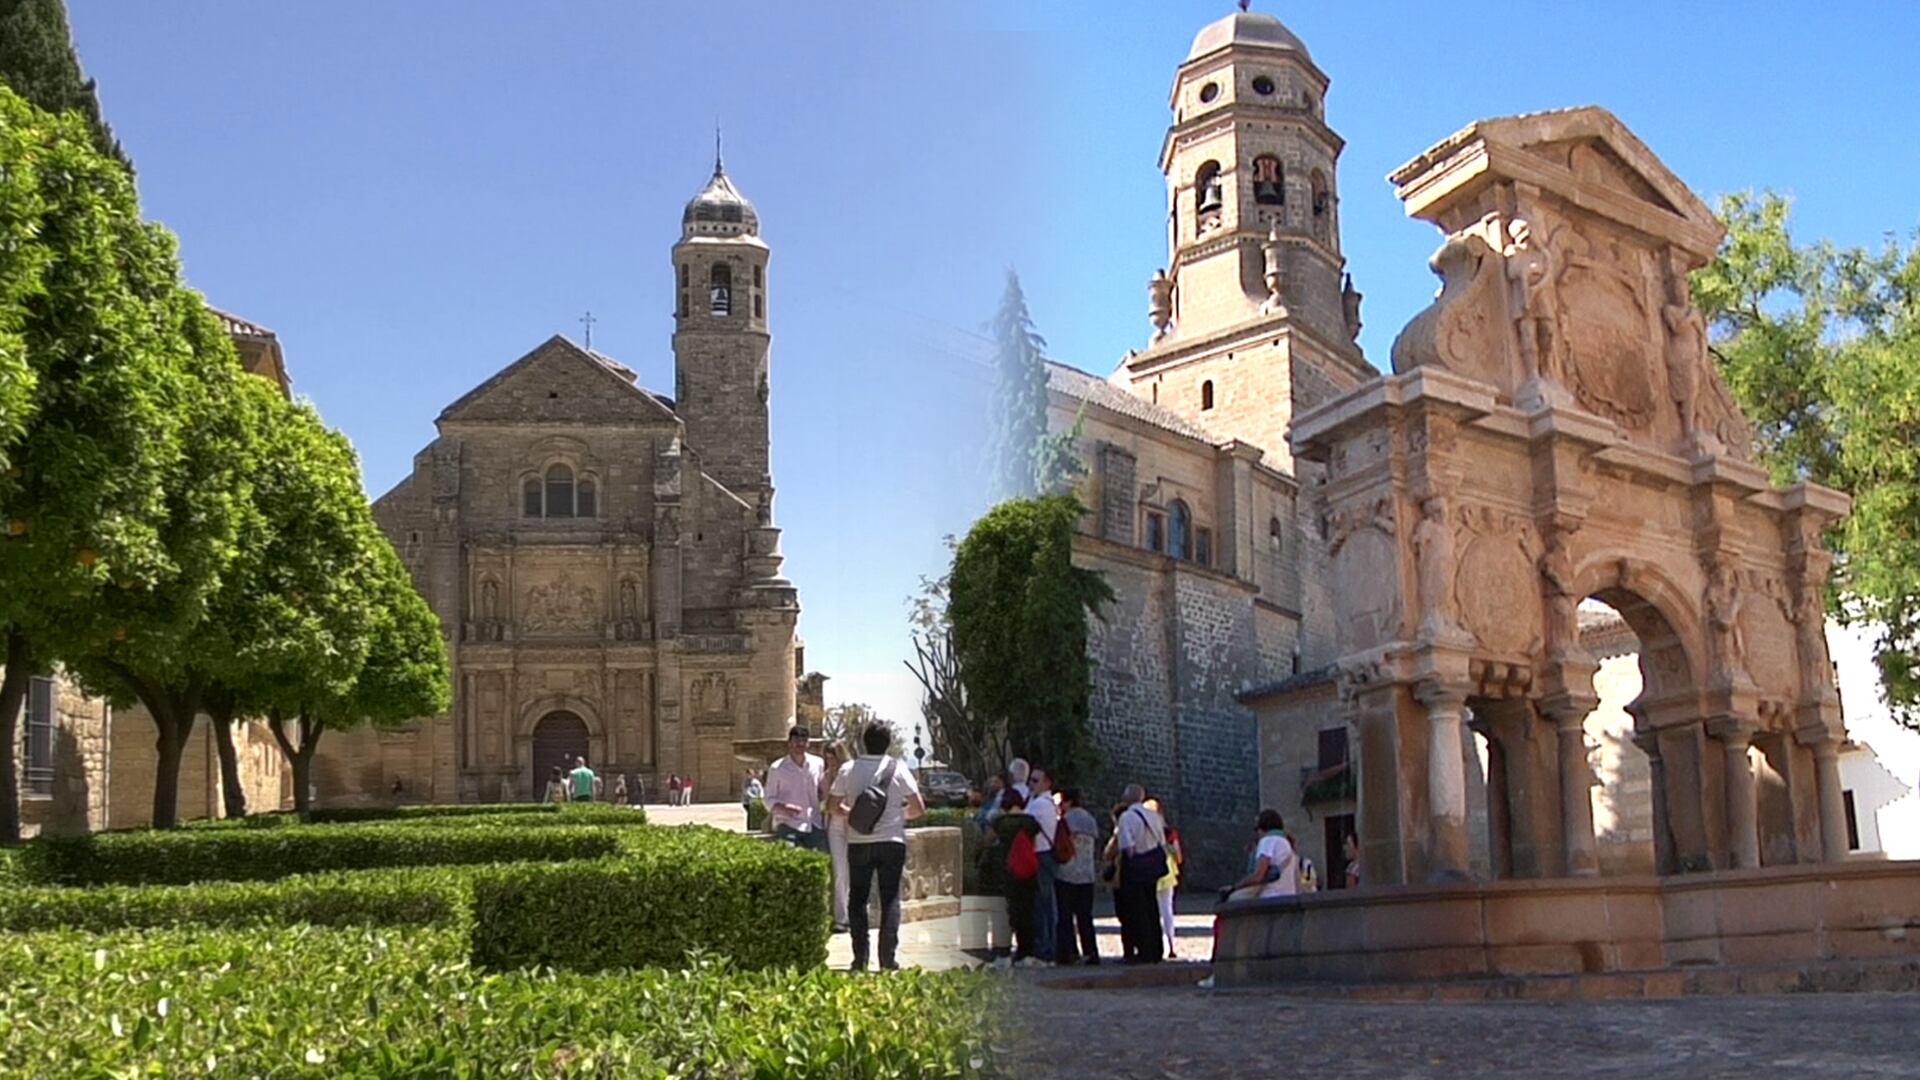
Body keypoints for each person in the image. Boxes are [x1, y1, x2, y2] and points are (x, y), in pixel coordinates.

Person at [828, 723, 926, 971]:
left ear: (863, 742)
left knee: (858, 899)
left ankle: (860, 958)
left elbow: (831, 806)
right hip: (892, 842)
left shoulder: (849, 770)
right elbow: (918, 808)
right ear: (888, 743)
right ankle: (887, 960)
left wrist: (852, 815)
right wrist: (898, 815)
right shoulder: (899, 768)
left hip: (859, 842)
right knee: (890, 899)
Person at [989, 787, 1043, 966]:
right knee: (1026, 913)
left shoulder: (999, 823)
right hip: (1027, 873)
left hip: (1006, 872)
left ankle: (1003, 953)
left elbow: (989, 842)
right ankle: (1025, 952)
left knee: (1005, 914)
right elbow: (1032, 847)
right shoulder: (1031, 823)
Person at [1115, 784, 1167, 963]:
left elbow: (1127, 847)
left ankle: (1144, 950)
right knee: (1152, 907)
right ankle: (1156, 949)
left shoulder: (1126, 817)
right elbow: (1162, 840)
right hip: (1152, 864)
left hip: (1136, 865)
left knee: (1137, 910)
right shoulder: (1154, 816)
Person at [1054, 788, 1101, 966]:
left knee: (1065, 916)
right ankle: (1091, 952)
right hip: (1087, 874)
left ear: (1068, 802)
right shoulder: (1090, 819)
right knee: (1085, 916)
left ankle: (1068, 952)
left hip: (1066, 873)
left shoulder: (1065, 821)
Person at [766, 724, 827, 850]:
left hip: (814, 823)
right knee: (790, 863)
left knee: (823, 861)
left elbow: (822, 790)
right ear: (789, 743)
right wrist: (784, 808)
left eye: (803, 741)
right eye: (796, 741)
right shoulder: (777, 768)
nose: (800, 744)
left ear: (808, 744)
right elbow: (768, 799)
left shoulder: (818, 764)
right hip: (788, 824)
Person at [1225, 809, 1298, 902]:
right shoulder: (1286, 842)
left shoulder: (1267, 841)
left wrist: (1235, 887)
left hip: (1271, 896)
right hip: (1289, 896)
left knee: (1233, 900)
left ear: (1261, 828)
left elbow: (1258, 876)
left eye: (1256, 829)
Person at [1026, 767, 1060, 962]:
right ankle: (1048, 945)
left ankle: (1046, 947)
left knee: (1042, 903)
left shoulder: (1039, 805)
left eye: (1035, 780)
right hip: (1045, 853)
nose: (1031, 784)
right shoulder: (1045, 803)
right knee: (1046, 902)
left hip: (1041, 854)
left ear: (1047, 783)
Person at [1146, 799, 1181, 958]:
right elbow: (1179, 857)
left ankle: (1152, 943)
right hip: (1167, 872)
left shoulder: (1145, 829)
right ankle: (1170, 944)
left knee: (1150, 910)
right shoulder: (1170, 833)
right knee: (1167, 910)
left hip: (1149, 871)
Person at [822, 744, 851, 931]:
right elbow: (828, 804)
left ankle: (854, 911)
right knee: (839, 870)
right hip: (835, 825)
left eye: (833, 758)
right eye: (827, 758)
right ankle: (841, 917)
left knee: (854, 869)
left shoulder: (851, 774)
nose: (830, 762)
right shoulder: (825, 777)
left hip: (853, 824)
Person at [1102, 802, 1132, 962]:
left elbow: (1108, 853)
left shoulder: (1120, 832)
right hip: (1133, 877)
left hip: (1121, 879)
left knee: (1124, 916)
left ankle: (1128, 951)